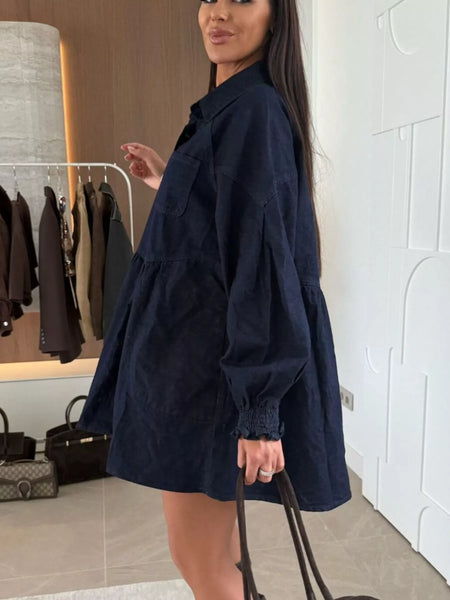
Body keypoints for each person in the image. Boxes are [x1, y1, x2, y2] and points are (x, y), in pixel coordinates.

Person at [76, 1, 352, 598]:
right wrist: (170, 176)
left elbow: (262, 264)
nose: (218, 13)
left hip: (211, 374)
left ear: (278, 14)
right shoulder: (233, 107)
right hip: (200, 367)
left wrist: (259, 410)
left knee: (200, 558)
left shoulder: (253, 111)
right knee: (217, 554)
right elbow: (226, 218)